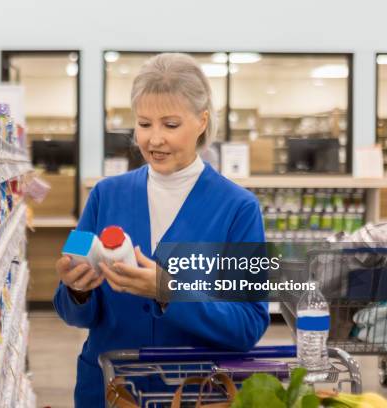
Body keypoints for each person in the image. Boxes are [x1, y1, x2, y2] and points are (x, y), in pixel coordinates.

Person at [53, 53, 269, 407]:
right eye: (144, 124)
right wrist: (75, 289)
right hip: (109, 390)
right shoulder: (104, 195)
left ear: (201, 122)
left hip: (195, 394)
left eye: (170, 125)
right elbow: (74, 312)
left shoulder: (239, 209)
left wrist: (168, 291)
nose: (154, 139)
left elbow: (246, 326)